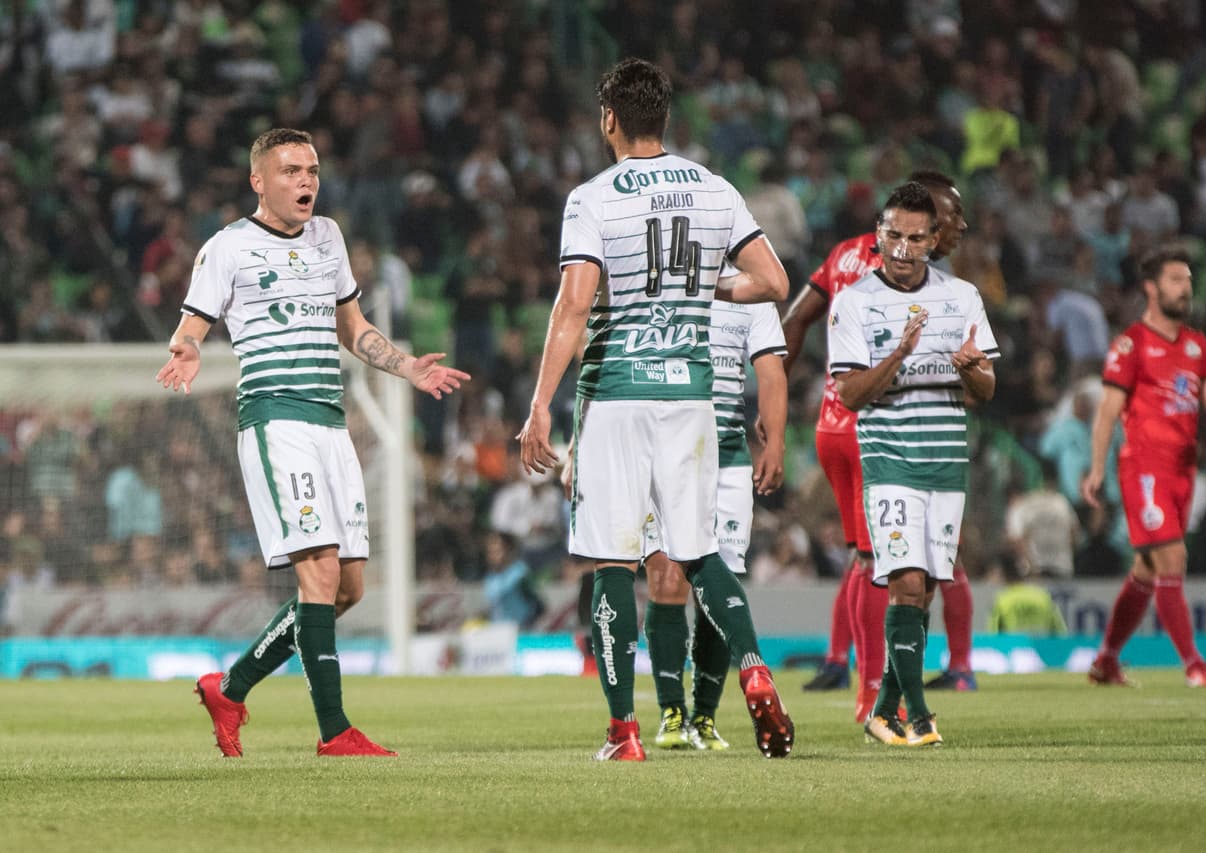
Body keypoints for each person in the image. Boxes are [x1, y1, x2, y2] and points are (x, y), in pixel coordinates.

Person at [157, 128, 469, 758]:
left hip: (331, 422)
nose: (306, 182)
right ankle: (335, 731)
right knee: (319, 572)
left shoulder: (328, 237)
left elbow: (352, 327)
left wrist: (406, 365)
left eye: (313, 170)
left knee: (348, 587)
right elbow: (191, 327)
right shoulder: (228, 247)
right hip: (277, 420)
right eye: (292, 170)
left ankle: (232, 687)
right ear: (258, 181)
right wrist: (186, 351)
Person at [517, 58, 793, 761]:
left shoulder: (592, 197)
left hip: (615, 394)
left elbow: (576, 301)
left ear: (608, 118)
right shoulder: (714, 188)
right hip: (691, 395)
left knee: (613, 560)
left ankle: (625, 732)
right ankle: (754, 666)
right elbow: (772, 280)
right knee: (699, 549)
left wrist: (541, 405)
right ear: (665, 119)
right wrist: (706, 291)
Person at [780, 170, 977, 721]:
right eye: (949, 215)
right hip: (878, 428)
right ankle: (874, 695)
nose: (956, 226)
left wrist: (774, 406)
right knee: (888, 567)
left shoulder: (845, 253)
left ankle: (846, 664)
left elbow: (794, 322)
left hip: (829, 426)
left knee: (864, 558)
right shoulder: (908, 272)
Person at [828, 181, 999, 747]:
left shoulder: (962, 298)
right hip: (889, 460)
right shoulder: (854, 301)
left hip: (946, 462)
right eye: (893, 235)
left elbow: (986, 389)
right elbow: (850, 394)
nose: (902, 248)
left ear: (934, 240)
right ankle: (921, 718)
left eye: (916, 238)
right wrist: (899, 354)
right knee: (903, 580)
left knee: (923, 589)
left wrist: (971, 367)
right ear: (879, 235)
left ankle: (882, 713)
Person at [1082, 245, 1206, 687]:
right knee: (1173, 556)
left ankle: (1105, 661)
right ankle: (1194, 665)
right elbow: (1107, 411)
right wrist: (1096, 468)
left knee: (1146, 570)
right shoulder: (1131, 344)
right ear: (1151, 287)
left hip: (1183, 469)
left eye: (1189, 281)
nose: (1186, 288)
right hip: (1144, 467)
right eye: (1176, 280)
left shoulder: (1196, 343)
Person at [642, 297, 788, 751]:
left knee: (715, 584)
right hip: (664, 452)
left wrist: (776, 441)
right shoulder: (663, 279)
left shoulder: (754, 293)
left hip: (727, 457)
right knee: (667, 576)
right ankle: (673, 712)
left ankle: (704, 715)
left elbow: (770, 371)